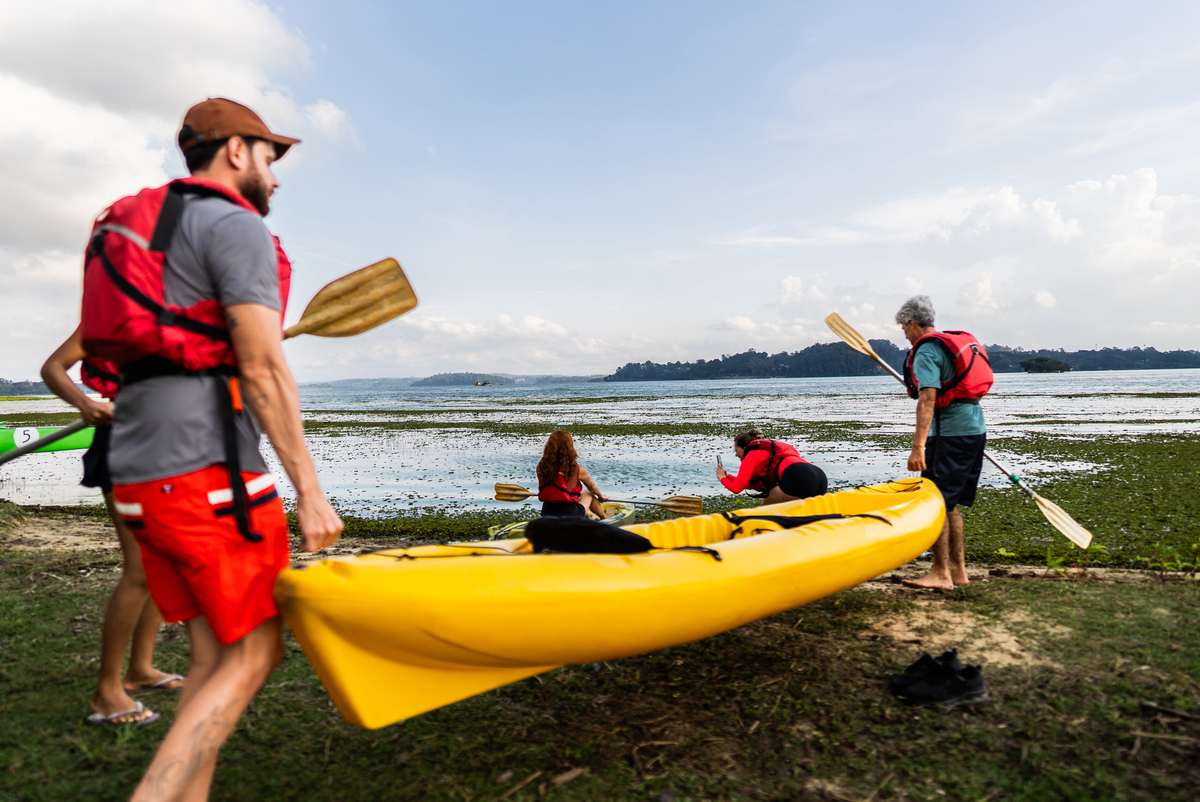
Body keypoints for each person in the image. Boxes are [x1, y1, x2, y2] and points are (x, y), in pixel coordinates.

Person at [79, 98, 343, 802]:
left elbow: (188, 339)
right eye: (269, 157)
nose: (275, 176)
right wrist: (310, 492)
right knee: (255, 651)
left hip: (136, 471)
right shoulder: (234, 223)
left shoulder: (153, 225)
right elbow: (263, 369)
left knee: (211, 656)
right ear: (234, 150)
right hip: (204, 474)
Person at [41, 331, 183, 726]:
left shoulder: (183, 319)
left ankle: (140, 670)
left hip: (171, 445)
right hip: (124, 444)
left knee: (164, 563)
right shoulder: (110, 316)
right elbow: (53, 368)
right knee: (141, 570)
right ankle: (107, 690)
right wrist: (84, 403)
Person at [894, 295, 992, 590]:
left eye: (903, 327)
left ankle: (940, 573)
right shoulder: (947, 344)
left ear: (912, 323)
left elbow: (927, 399)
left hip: (949, 433)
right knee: (950, 505)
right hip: (974, 428)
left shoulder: (926, 351)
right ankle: (958, 572)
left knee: (936, 503)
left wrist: (917, 447)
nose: (904, 334)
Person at [716, 428, 828, 504]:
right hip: (819, 476)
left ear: (745, 448)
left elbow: (736, 488)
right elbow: (745, 483)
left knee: (765, 512)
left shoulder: (751, 455)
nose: (736, 454)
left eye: (736, 450)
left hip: (799, 475)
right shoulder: (767, 453)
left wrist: (721, 478)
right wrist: (728, 477)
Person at [536, 430, 609, 519]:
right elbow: (592, 488)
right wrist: (600, 496)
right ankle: (604, 518)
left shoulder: (541, 468)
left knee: (578, 495)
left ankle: (589, 515)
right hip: (570, 515)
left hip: (547, 513)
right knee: (588, 492)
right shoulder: (577, 470)